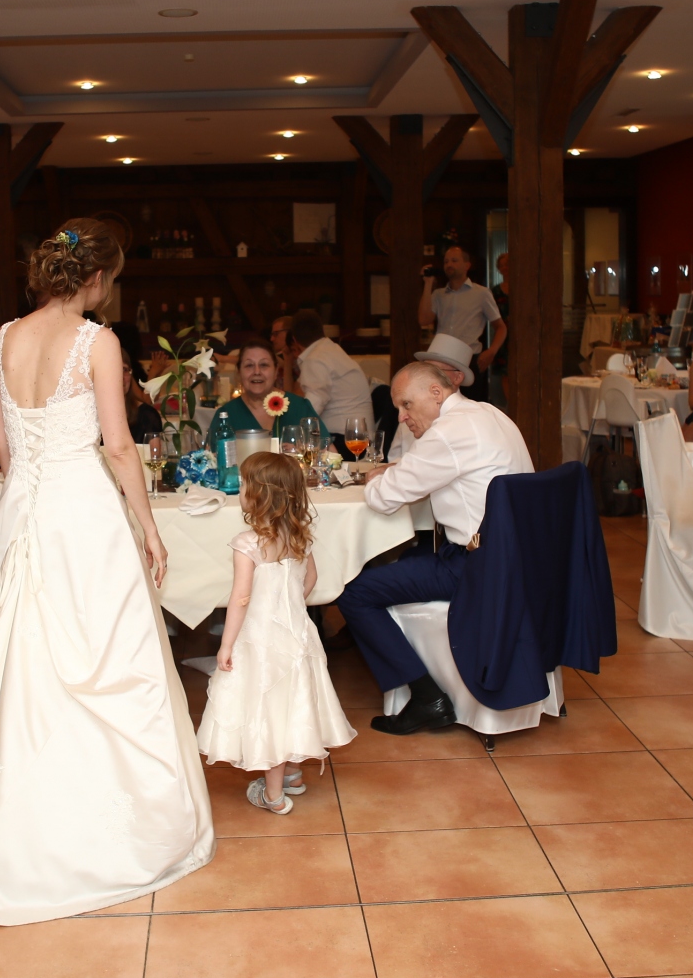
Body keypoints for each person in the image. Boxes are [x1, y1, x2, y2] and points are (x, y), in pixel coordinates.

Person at [0, 217, 213, 925]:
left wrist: (32, 473)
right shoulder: (96, 340)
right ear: (98, 277)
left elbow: (0, 441)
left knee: (12, 656)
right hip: (80, 515)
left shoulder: (5, 338)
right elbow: (119, 447)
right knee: (100, 654)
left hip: (20, 511)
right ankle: (94, 827)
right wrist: (148, 527)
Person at [338, 361, 534, 734]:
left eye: (406, 405)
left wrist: (376, 476)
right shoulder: (489, 413)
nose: (402, 416)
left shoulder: (447, 433)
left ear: (435, 393)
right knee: (410, 556)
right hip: (519, 559)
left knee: (353, 591)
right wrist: (397, 469)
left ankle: (427, 697)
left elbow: (383, 499)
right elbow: (437, 466)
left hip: (478, 568)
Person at [197, 451, 356, 814]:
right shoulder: (300, 536)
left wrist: (226, 644)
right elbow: (310, 578)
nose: (241, 491)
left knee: (268, 710)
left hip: (261, 641)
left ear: (258, 495)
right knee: (294, 702)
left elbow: (240, 599)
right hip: (297, 636)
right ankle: (293, 775)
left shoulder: (247, 544)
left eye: (244, 485)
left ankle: (273, 796)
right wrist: (292, 606)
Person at [419, 246, 505, 403]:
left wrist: (491, 351)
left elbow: (501, 327)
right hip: (442, 358)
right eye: (446, 261)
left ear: (467, 265)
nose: (449, 264)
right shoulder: (438, 294)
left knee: (470, 405)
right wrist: (427, 284)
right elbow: (424, 320)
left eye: (454, 260)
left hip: (469, 359)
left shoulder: (481, 293)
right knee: (440, 404)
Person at [287, 310, 370, 457]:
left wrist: (287, 428)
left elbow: (311, 411)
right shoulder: (330, 350)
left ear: (294, 339)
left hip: (344, 440)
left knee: (289, 448)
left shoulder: (316, 358)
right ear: (321, 331)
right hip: (358, 436)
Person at [207, 343, 319, 441]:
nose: (257, 372)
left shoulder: (300, 408)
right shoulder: (226, 414)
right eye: (249, 365)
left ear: (276, 371)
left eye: (264, 365)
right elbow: (210, 456)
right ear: (239, 372)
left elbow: (325, 450)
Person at [388, 335, 470, 461]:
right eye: (424, 369)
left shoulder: (467, 417)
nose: (427, 374)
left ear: (458, 377)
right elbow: (394, 457)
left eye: (436, 370)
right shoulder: (409, 411)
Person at [122, 348, 164, 444]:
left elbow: (149, 399)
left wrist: (156, 373)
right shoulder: (89, 416)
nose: (120, 376)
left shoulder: (147, 416)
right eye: (112, 370)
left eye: (124, 369)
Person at [490, 252, 511, 406]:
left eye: (507, 264)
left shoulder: (524, 289)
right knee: (505, 373)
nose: (505, 268)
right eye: (501, 265)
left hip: (522, 337)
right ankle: (510, 404)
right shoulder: (495, 291)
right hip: (503, 335)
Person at [268, 314, 298, 395]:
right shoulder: (279, 356)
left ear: (289, 333)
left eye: (276, 334)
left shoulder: (299, 360)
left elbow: (289, 396)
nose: (272, 339)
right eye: (272, 334)